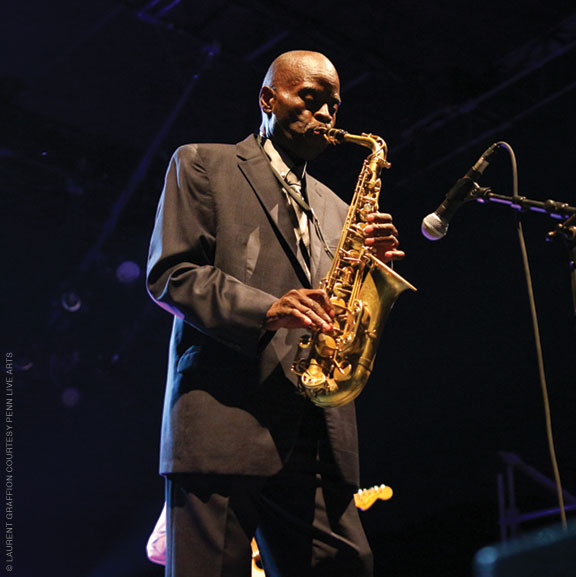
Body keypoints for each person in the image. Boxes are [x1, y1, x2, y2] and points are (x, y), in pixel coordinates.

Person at [146, 49, 404, 577]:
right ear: (269, 99)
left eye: (333, 105)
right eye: (310, 100)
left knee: (347, 564)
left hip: (317, 428)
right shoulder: (202, 163)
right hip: (227, 417)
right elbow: (172, 275)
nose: (327, 115)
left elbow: (337, 306)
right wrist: (270, 308)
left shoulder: (336, 206)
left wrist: (365, 270)